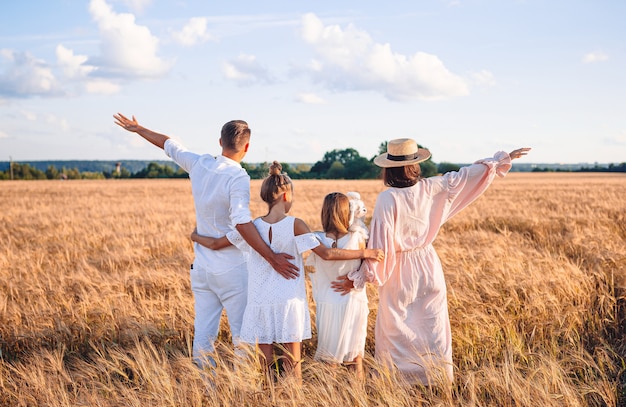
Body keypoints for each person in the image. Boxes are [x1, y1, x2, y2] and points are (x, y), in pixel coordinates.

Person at [332, 138, 530, 385]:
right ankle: (436, 380)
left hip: (398, 269)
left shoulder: (388, 198)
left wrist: (360, 277)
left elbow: (380, 247)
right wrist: (500, 160)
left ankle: (396, 385)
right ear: (414, 166)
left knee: (394, 328)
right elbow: (467, 175)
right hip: (428, 265)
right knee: (433, 327)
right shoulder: (434, 186)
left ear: (388, 168)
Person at [113, 114, 298, 369]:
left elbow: (169, 144)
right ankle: (242, 388)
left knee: (203, 334)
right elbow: (242, 223)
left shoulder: (199, 164)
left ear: (220, 141)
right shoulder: (238, 177)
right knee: (242, 336)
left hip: (201, 267)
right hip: (233, 270)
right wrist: (272, 257)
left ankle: (205, 389)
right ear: (247, 147)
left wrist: (138, 129)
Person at [191, 162, 384, 382]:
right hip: (289, 302)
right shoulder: (296, 225)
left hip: (260, 303)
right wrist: (366, 252)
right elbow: (326, 254)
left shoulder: (251, 227)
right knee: (293, 371)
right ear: (285, 196)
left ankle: (268, 404)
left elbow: (216, 244)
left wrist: (195, 236)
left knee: (265, 371)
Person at [305, 192, 379, 379]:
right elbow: (368, 269)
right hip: (353, 302)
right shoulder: (359, 238)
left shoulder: (316, 238)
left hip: (328, 304)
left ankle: (331, 402)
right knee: (356, 358)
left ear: (325, 213)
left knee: (330, 361)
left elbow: (317, 261)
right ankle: (357, 400)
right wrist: (364, 255)